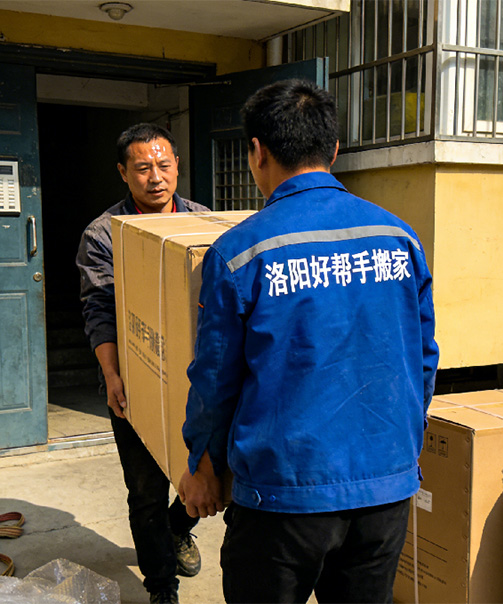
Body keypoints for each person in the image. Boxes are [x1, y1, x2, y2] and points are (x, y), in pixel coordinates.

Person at [178, 80, 439, 604]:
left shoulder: (240, 252)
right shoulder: (400, 239)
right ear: (334, 149)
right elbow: (423, 358)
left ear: (257, 152)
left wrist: (201, 464)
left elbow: (215, 377)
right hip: (384, 489)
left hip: (283, 496)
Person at [76, 123, 208, 604]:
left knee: (208, 472)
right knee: (146, 489)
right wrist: (112, 375)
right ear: (123, 173)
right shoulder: (104, 234)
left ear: (177, 166)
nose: (156, 177)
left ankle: (178, 527)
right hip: (134, 378)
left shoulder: (201, 222)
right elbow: (99, 311)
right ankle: (161, 586)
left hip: (198, 381)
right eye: (143, 168)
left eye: (164, 165)